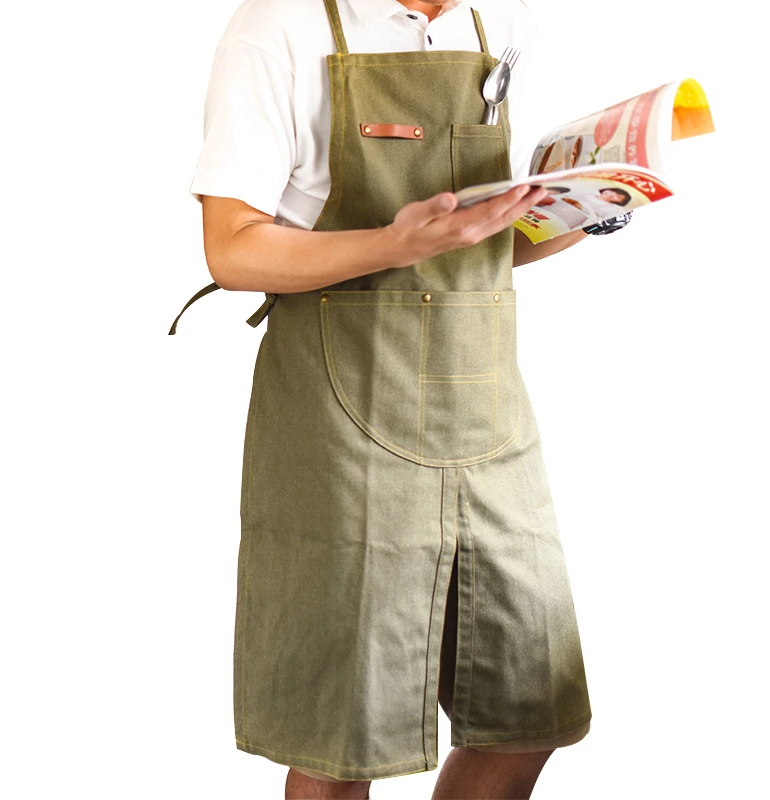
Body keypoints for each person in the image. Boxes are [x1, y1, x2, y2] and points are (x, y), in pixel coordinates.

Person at [170, 1, 604, 798]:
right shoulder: (279, 27)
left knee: (529, 709)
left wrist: (593, 206)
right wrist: (394, 243)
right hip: (344, 412)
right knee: (345, 736)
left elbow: (478, 243)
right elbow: (231, 249)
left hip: (487, 410)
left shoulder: (497, 20)